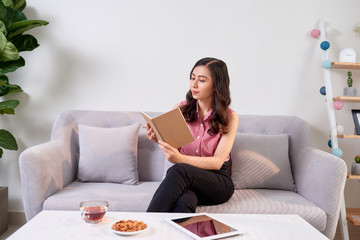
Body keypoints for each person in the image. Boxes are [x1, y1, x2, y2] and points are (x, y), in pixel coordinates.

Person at [146, 57, 239, 213]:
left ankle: (144, 225)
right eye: (192, 78)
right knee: (185, 200)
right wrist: (159, 140)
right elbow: (176, 146)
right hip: (187, 179)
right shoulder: (180, 109)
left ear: (216, 85)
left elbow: (217, 162)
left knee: (178, 170)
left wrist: (180, 159)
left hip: (217, 181)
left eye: (201, 80)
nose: (194, 85)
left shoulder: (229, 117)